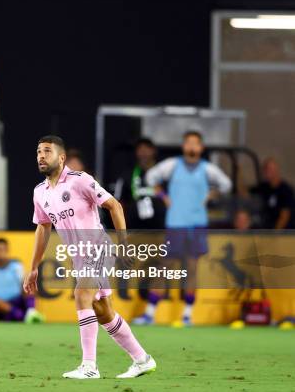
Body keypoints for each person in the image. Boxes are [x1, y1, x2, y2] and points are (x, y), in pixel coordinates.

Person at [23, 135, 156, 379]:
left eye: (47, 151)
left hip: (97, 247)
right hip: (79, 257)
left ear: (61, 158)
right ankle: (142, 359)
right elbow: (43, 228)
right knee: (103, 311)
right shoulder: (39, 192)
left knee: (82, 294)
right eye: (38, 152)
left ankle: (89, 366)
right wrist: (33, 268)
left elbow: (114, 205)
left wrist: (124, 244)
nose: (41, 156)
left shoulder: (80, 180)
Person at [135, 131, 232, 326]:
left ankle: (187, 315)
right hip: (176, 223)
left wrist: (213, 194)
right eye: (188, 143)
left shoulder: (207, 169)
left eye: (195, 143)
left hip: (197, 223)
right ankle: (150, 313)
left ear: (201, 148)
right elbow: (151, 177)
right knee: (165, 267)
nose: (192, 147)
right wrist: (163, 197)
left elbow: (226, 184)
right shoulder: (173, 165)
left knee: (193, 268)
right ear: (184, 146)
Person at [0, 238, 44, 323]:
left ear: (7, 250)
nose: (1, 252)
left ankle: (31, 312)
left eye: (3, 249)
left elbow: (24, 284)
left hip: (16, 301)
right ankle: (21, 316)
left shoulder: (16, 266)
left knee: (29, 282)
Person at [114, 138, 165, 229]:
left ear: (154, 151)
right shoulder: (127, 175)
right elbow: (118, 202)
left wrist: (161, 193)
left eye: (147, 149)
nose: (143, 152)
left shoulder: (164, 173)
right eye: (140, 149)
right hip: (134, 228)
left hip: (160, 228)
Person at [251, 158, 294, 229]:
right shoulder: (263, 187)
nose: (268, 172)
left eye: (270, 169)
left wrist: (275, 233)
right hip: (266, 228)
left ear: (277, 170)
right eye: (266, 169)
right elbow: (245, 194)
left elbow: (285, 215)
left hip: (284, 232)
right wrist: (238, 170)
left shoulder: (286, 189)